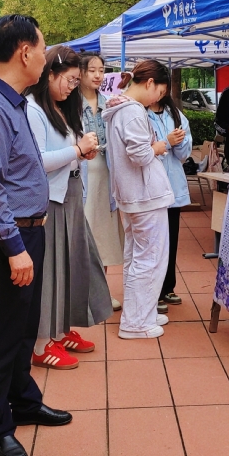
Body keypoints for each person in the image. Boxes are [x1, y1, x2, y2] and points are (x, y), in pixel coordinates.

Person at [0, 14, 72, 456]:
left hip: (28, 232)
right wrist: (13, 248)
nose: (45, 57)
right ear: (25, 52)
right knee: (0, 334)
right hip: (7, 239)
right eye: (42, 49)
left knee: (23, 328)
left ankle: (22, 400)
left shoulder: (15, 103)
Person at [26, 46, 113, 371]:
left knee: (73, 265)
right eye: (70, 80)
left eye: (77, 81)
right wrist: (77, 150)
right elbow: (36, 161)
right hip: (50, 198)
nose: (72, 86)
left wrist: (82, 153)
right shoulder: (34, 109)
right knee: (51, 271)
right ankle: (40, 343)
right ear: (50, 74)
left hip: (71, 193)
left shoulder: (63, 107)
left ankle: (59, 332)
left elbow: (70, 153)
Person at [102, 60, 175, 340]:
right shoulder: (132, 111)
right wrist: (159, 146)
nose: (157, 99)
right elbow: (140, 155)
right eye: (159, 92)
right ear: (149, 83)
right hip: (145, 195)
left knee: (138, 257)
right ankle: (136, 322)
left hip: (133, 195)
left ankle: (141, 314)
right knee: (150, 259)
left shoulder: (118, 107)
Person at [79, 53, 124, 312]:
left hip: (106, 178)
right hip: (82, 179)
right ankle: (82, 294)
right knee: (83, 236)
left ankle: (101, 292)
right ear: (80, 72)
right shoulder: (70, 104)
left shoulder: (109, 103)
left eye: (101, 70)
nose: (97, 75)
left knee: (104, 238)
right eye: (92, 70)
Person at [148, 92, 193, 313]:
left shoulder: (175, 115)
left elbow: (183, 154)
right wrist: (167, 141)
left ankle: (167, 287)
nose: (158, 91)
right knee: (152, 243)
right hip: (150, 188)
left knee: (171, 239)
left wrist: (180, 141)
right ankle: (152, 291)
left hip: (172, 187)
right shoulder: (140, 113)